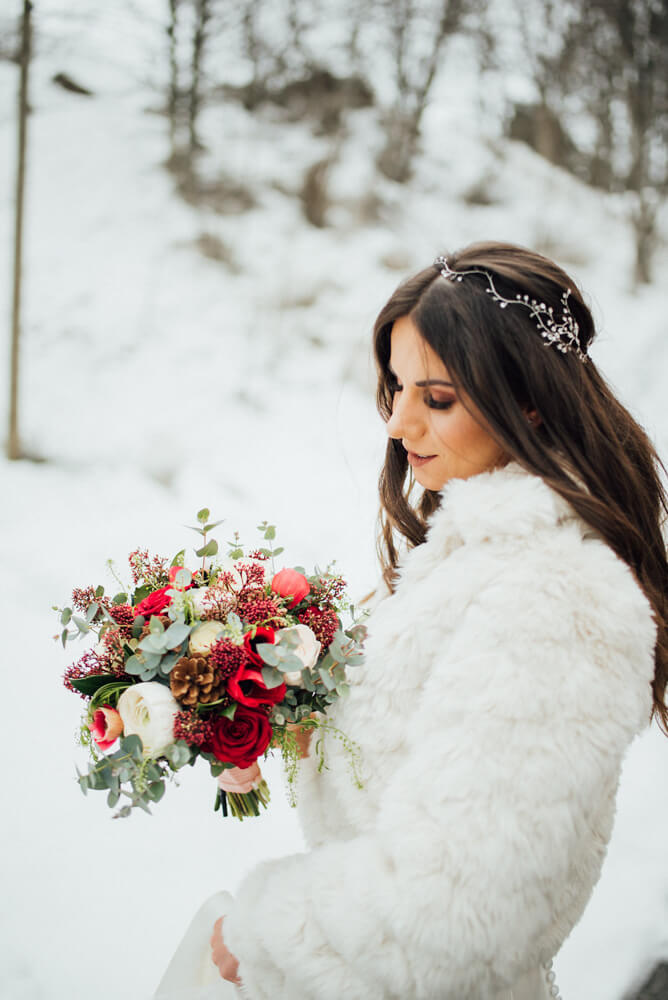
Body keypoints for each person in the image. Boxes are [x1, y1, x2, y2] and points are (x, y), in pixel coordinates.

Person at [159, 241, 667, 1000]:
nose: (397, 424)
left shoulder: (556, 598)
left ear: (527, 399)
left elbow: (456, 911)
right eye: (396, 388)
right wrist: (279, 713)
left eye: (436, 398)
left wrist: (268, 932)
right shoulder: (468, 561)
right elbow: (426, 760)